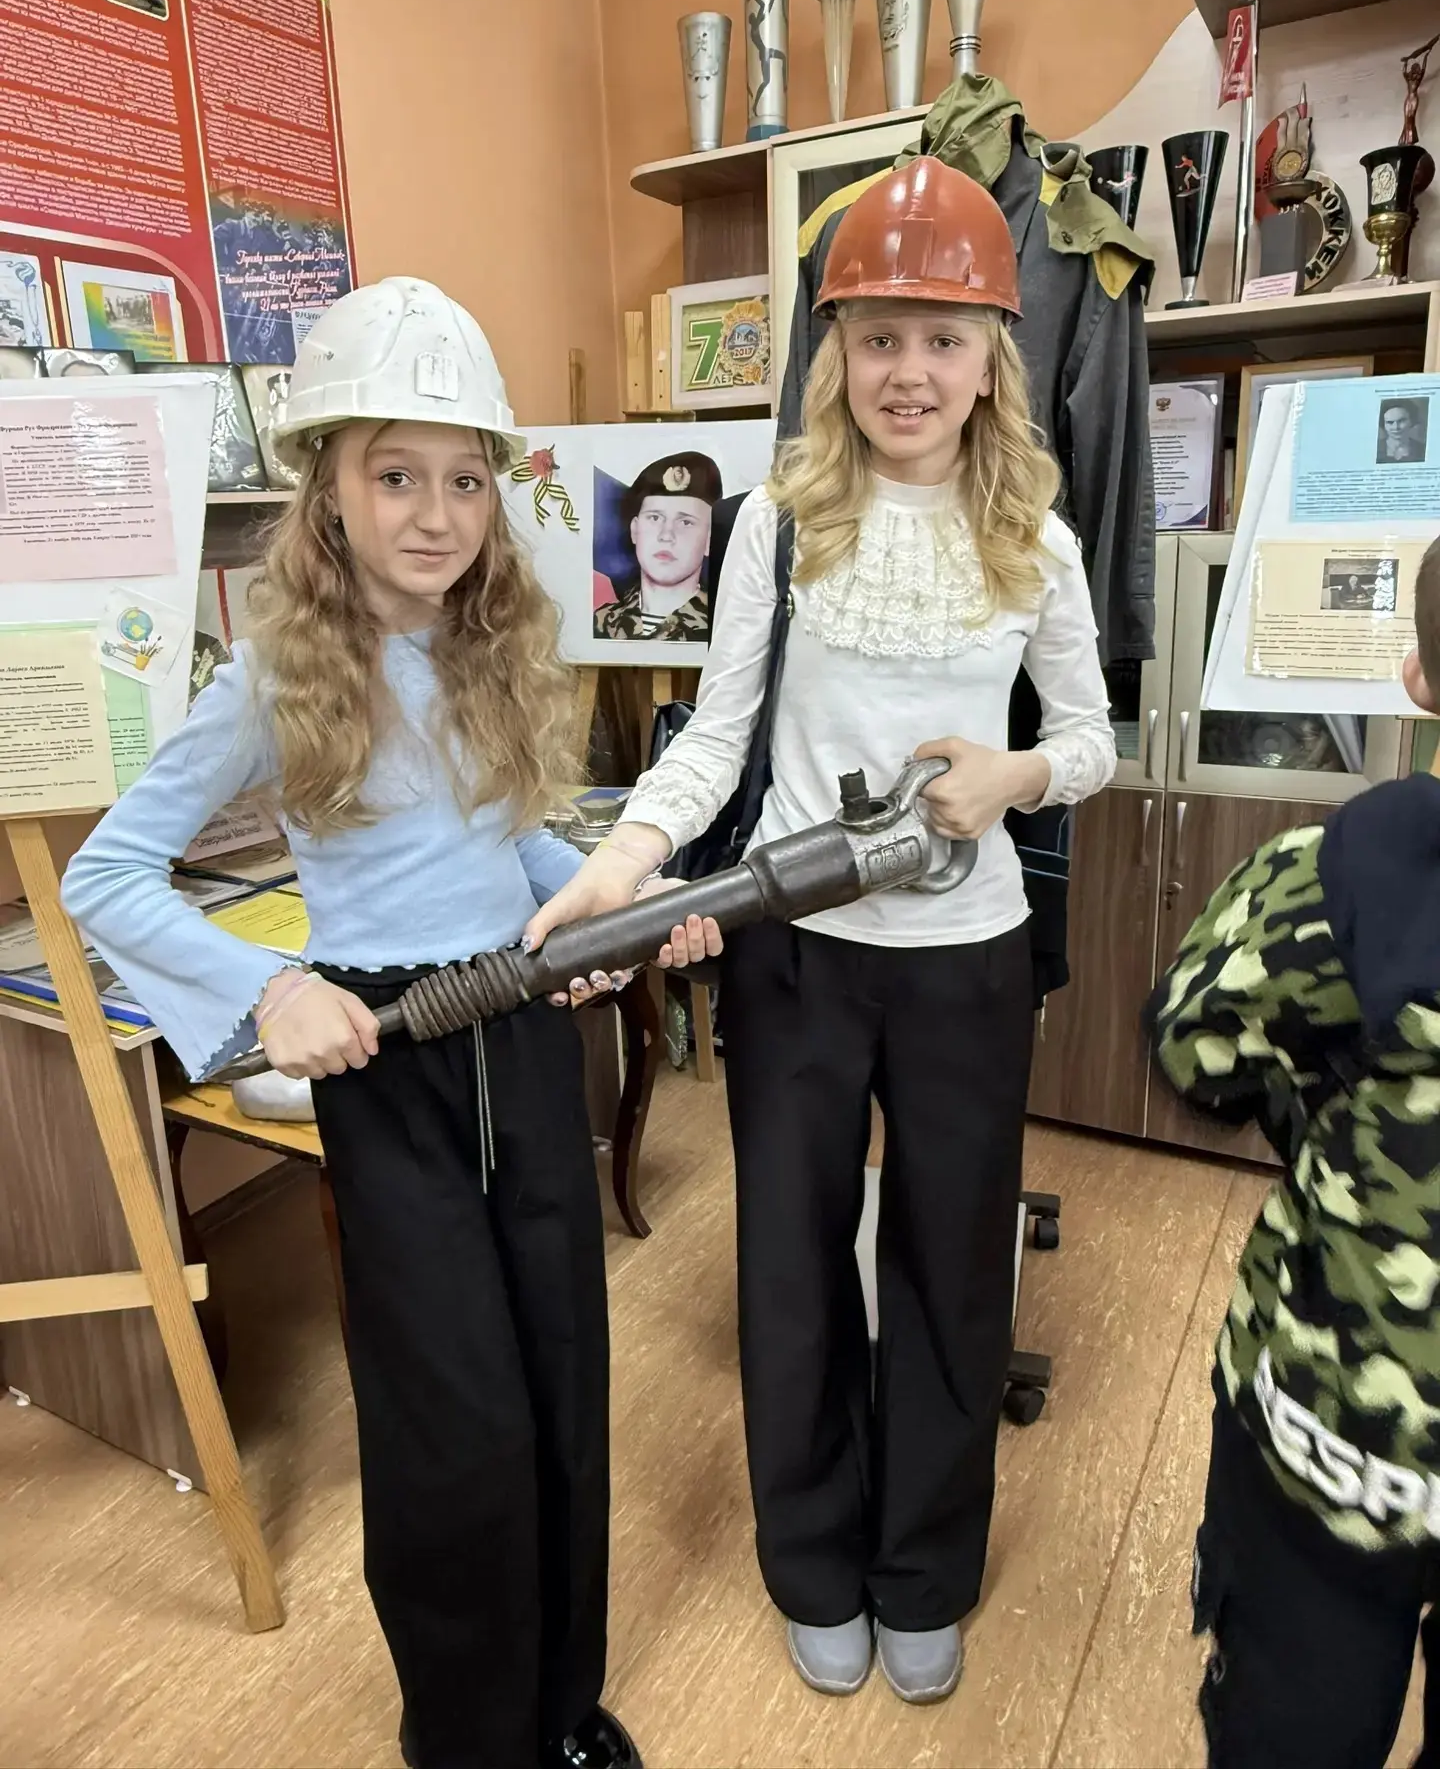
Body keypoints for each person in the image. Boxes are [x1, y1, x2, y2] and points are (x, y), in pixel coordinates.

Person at [62, 277, 721, 1769]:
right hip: (393, 1057)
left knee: (560, 1378)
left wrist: (615, 911)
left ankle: (559, 1709)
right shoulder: (277, 678)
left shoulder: (491, 652)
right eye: (396, 475)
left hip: (522, 1043)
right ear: (331, 490)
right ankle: (470, 1738)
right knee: (452, 1425)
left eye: (465, 479)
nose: (435, 514)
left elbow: (514, 847)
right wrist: (269, 989)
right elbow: (107, 875)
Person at [529, 159, 1116, 1703]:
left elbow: (1095, 740)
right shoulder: (778, 527)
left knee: (949, 1265)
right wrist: (630, 858)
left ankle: (926, 1568)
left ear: (991, 355)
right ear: (836, 351)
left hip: (968, 960)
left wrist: (1014, 776)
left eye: (942, 339)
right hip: (797, 952)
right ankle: (812, 1560)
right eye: (878, 338)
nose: (908, 372)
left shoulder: (1036, 541)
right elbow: (720, 736)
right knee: (789, 1264)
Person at [1145, 534, 1440, 1769]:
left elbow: (1194, 1043)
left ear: (1418, 678)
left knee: (1292, 1721)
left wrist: (1321, 1105)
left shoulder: (1343, 873)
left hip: (1341, 1426)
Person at [593, 451, 720, 642]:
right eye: (655, 518)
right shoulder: (601, 623)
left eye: (686, 522)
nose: (666, 535)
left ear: (710, 539)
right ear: (634, 530)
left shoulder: (722, 628)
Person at [1378, 400, 1426, 465]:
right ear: (1383, 424)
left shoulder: (1423, 449)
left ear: (1411, 421)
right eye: (1390, 422)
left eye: (1401, 421)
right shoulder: (1375, 448)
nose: (1396, 427)